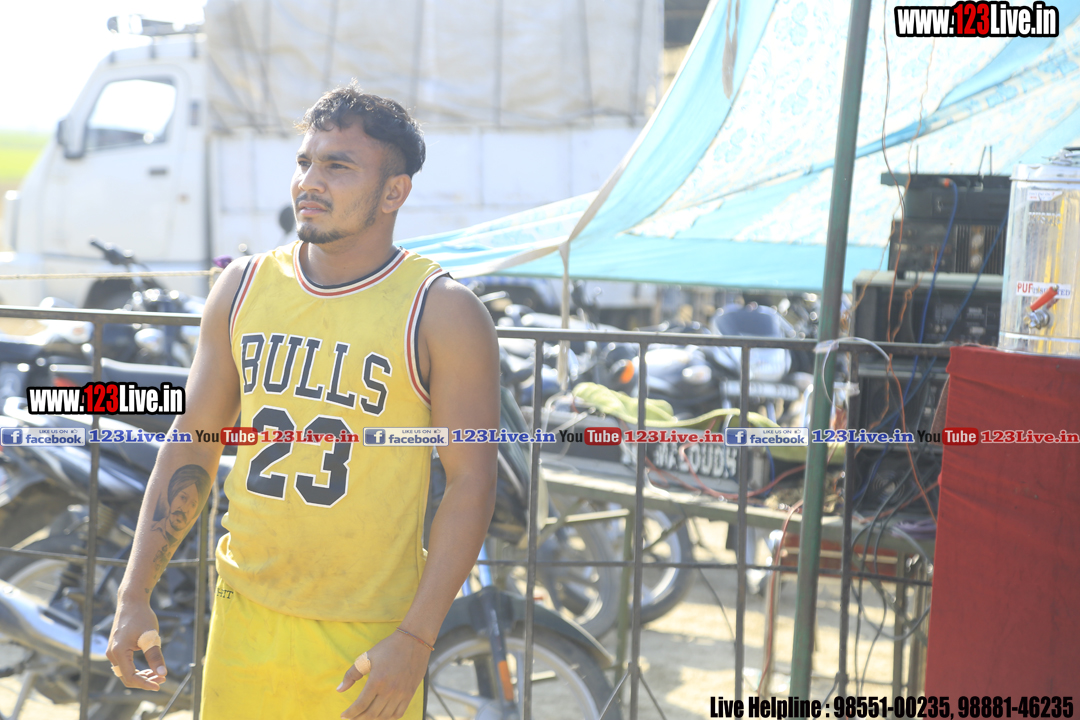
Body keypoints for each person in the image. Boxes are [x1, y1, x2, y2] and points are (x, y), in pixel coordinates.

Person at [107, 83, 500, 720]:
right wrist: (134, 593)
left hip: (368, 636)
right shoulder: (242, 286)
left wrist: (415, 638)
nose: (309, 182)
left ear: (394, 192)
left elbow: (471, 482)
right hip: (242, 613)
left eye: (338, 166)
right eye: (305, 162)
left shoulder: (442, 310)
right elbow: (193, 440)